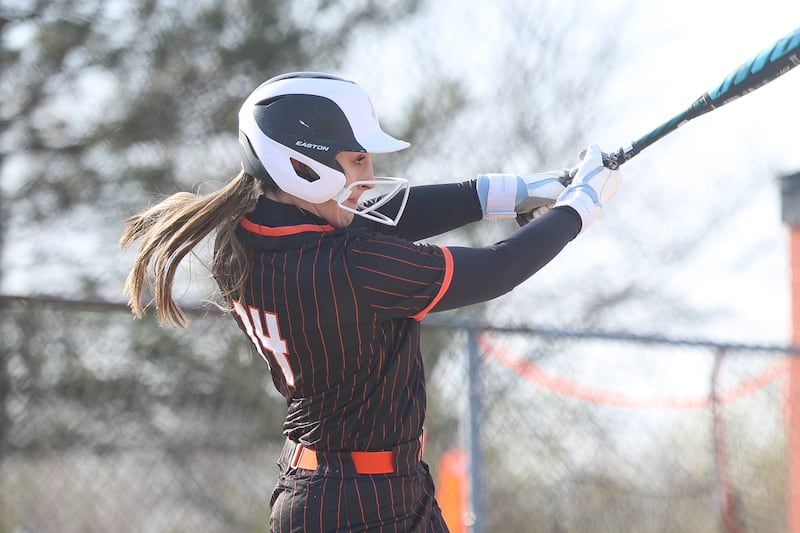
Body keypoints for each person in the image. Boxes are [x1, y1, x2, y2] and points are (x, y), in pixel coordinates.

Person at [120, 71, 622, 532]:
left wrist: (514, 191)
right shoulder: (348, 265)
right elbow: (497, 269)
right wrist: (580, 207)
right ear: (300, 166)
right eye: (356, 159)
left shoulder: (245, 237)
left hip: (355, 490)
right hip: (356, 505)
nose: (368, 172)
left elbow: (382, 216)